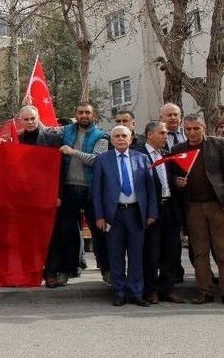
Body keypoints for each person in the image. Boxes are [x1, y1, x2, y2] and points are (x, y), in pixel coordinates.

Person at [91, 125, 156, 307]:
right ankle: (119, 291)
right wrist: (99, 216)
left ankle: (136, 292)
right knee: (116, 254)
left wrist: (151, 213)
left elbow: (150, 189)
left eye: (124, 136)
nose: (120, 139)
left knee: (136, 255)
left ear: (131, 139)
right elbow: (96, 191)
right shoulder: (103, 160)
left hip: (136, 212)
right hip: (114, 214)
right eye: (117, 136)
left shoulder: (142, 159)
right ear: (112, 140)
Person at [46, 103, 110, 288]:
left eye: (87, 112)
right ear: (75, 114)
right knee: (66, 232)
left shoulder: (101, 136)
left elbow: (97, 160)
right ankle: (66, 271)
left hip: (91, 190)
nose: (84, 115)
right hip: (68, 190)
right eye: (80, 112)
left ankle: (107, 270)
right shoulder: (66, 131)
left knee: (99, 232)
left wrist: (73, 152)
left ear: (93, 115)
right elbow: (44, 128)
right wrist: (31, 107)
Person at [171, 115, 224, 304]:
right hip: (192, 207)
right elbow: (173, 178)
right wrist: (178, 183)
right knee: (199, 251)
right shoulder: (178, 150)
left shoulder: (218, 145)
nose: (192, 133)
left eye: (196, 128)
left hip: (217, 205)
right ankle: (205, 291)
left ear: (203, 127)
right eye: (188, 129)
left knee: (222, 249)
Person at [139, 121, 185, 304]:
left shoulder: (167, 155)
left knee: (172, 251)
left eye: (166, 133)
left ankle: (168, 289)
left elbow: (169, 179)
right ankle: (151, 290)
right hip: (152, 210)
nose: (166, 136)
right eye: (162, 133)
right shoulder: (139, 155)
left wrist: (176, 181)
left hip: (170, 210)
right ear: (150, 134)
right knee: (151, 252)